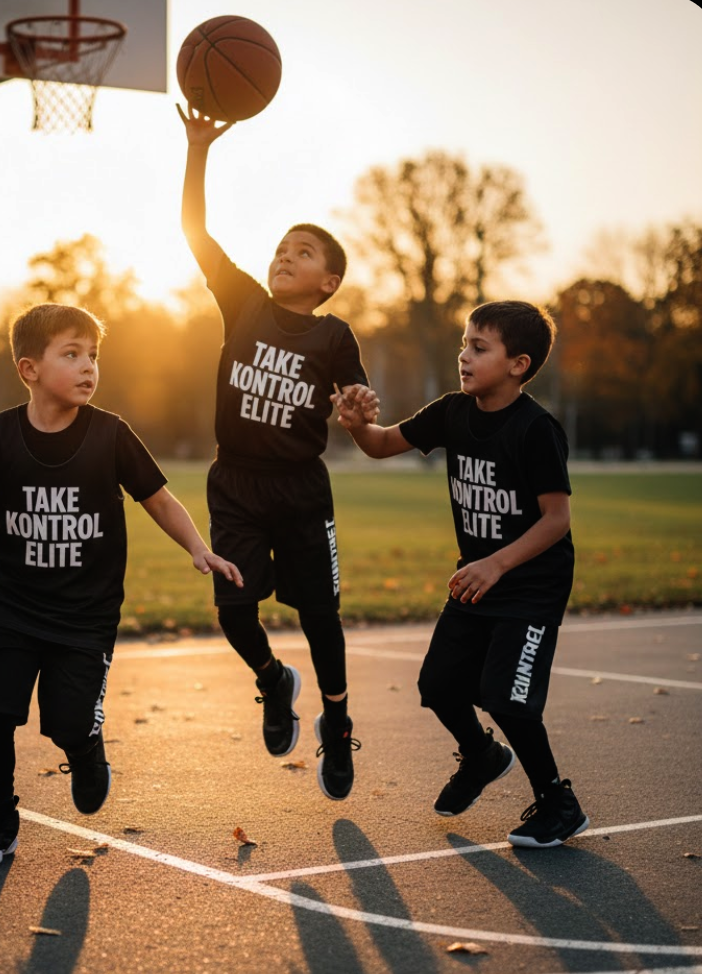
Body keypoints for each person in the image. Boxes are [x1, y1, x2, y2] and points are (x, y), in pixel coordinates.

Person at [0, 303, 242, 868]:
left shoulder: (111, 435)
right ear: (30, 369)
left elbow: (158, 499)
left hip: (85, 617)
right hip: (12, 607)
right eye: (72, 354)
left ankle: (86, 750)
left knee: (66, 721)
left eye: (93, 355)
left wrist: (199, 546)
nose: (89, 366)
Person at [334, 300, 589, 848]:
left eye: (479, 347)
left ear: (518, 364)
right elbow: (381, 443)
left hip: (530, 586)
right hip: (479, 577)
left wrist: (497, 563)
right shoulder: (452, 411)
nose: (463, 356)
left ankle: (558, 803)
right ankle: (480, 755)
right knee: (438, 685)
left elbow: (557, 519)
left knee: (507, 697)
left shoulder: (536, 429)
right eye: (463, 344)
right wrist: (358, 427)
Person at [177, 104, 367, 801]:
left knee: (321, 617)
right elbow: (193, 232)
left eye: (305, 252)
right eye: (282, 246)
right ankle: (272, 680)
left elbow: (356, 399)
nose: (286, 255)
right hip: (236, 484)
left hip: (300, 490)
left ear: (327, 282)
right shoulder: (245, 305)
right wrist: (198, 148)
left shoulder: (334, 335)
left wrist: (356, 408)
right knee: (233, 609)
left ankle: (339, 723)